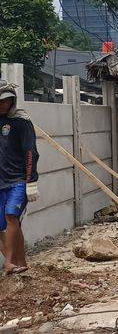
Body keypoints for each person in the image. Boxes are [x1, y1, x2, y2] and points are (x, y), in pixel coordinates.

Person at [0, 80, 40, 275]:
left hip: (18, 180)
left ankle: (7, 262)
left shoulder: (21, 122)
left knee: (11, 216)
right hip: (0, 181)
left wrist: (31, 181)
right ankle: (20, 263)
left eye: (7, 100)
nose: (4, 104)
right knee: (6, 224)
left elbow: (30, 152)